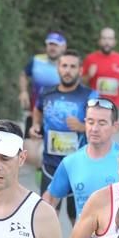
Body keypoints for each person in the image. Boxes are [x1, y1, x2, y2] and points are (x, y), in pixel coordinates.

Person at [42, 97, 119, 238]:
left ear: (115, 127)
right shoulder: (71, 162)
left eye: (102, 123)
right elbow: (49, 200)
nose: (94, 128)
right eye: (90, 122)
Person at [31, 50, 98, 224]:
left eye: (72, 66)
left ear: (80, 71)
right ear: (58, 69)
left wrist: (83, 127)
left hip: (79, 167)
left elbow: (101, 125)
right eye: (64, 66)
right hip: (50, 165)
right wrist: (36, 125)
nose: (68, 70)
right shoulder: (46, 92)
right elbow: (37, 110)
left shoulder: (90, 96)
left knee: (77, 219)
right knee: (46, 216)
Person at [19, 31, 66, 136]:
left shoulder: (68, 65)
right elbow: (23, 74)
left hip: (59, 117)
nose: (52, 48)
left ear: (63, 47)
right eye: (50, 44)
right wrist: (23, 92)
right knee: (30, 147)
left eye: (56, 45)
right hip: (35, 114)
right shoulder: (36, 60)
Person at [82, 28, 119, 112]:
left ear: (114, 42)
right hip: (95, 104)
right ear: (99, 41)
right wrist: (89, 75)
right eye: (104, 38)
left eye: (110, 39)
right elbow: (81, 81)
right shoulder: (90, 58)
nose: (107, 42)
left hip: (114, 105)